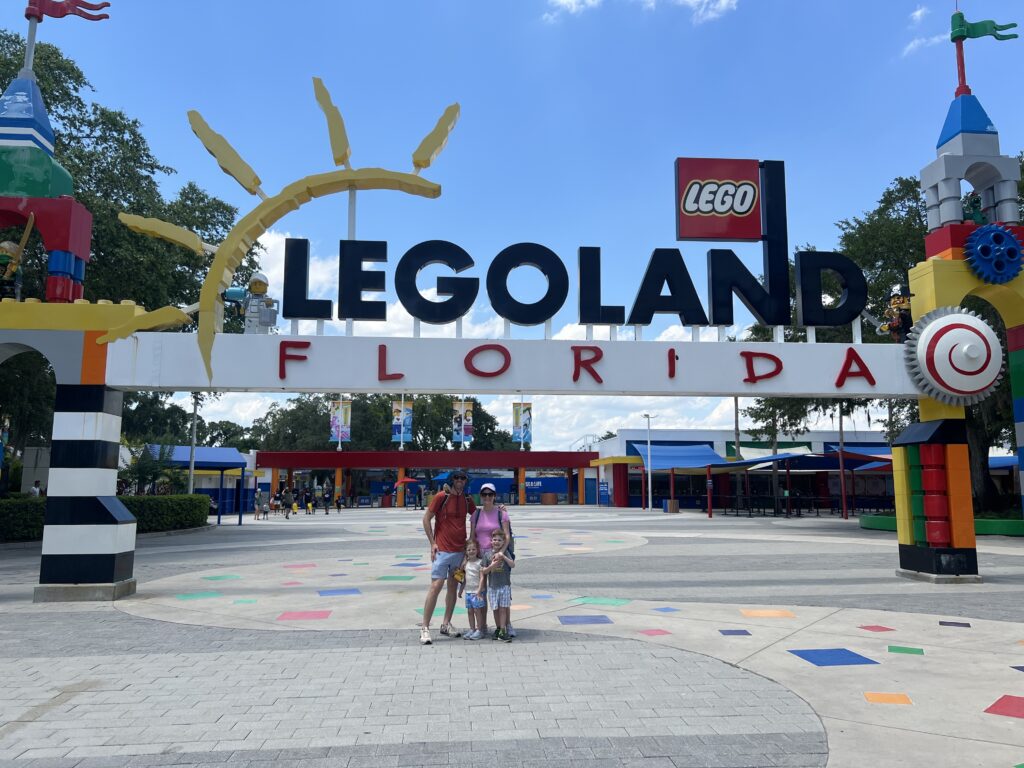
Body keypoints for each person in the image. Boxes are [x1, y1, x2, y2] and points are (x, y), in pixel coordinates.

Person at [420, 469, 476, 645]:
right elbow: (426, 519)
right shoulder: (441, 497)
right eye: (457, 478)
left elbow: (476, 517)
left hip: (459, 552)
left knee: (452, 587)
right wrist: (432, 543)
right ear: (452, 480)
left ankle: (446, 623)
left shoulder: (467, 500)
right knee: (436, 586)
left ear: (466, 481)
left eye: (463, 478)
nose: (460, 480)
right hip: (442, 550)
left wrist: (472, 539)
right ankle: (425, 627)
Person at [471, 483, 512, 637]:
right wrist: (468, 557)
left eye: (490, 494)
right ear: (481, 496)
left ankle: (506, 626)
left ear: (495, 496)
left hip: (497, 555)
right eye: (484, 494)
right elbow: (472, 537)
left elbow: (506, 535)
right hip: (481, 557)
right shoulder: (476, 514)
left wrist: (501, 553)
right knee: (481, 591)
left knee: (502, 591)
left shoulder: (502, 514)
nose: (487, 497)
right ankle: (481, 628)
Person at [481, 529, 515, 642]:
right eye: (494, 539)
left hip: (504, 585)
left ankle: (503, 630)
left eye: (499, 540)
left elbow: (512, 564)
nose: (496, 542)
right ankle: (498, 628)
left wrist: (503, 557)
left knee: (503, 609)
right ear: (491, 541)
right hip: (492, 586)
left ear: (503, 542)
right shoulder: (487, 555)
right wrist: (492, 566)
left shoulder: (505, 553)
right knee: (495, 609)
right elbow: (484, 571)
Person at [458, 539, 487, 640]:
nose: (471, 551)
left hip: (477, 592)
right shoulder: (466, 564)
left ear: (477, 550)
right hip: (468, 592)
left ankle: (480, 630)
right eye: (469, 549)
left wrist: (479, 590)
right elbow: (464, 579)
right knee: (470, 611)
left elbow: (482, 578)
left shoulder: (480, 563)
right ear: (466, 551)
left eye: (473, 549)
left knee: (477, 610)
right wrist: (461, 589)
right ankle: (472, 629)